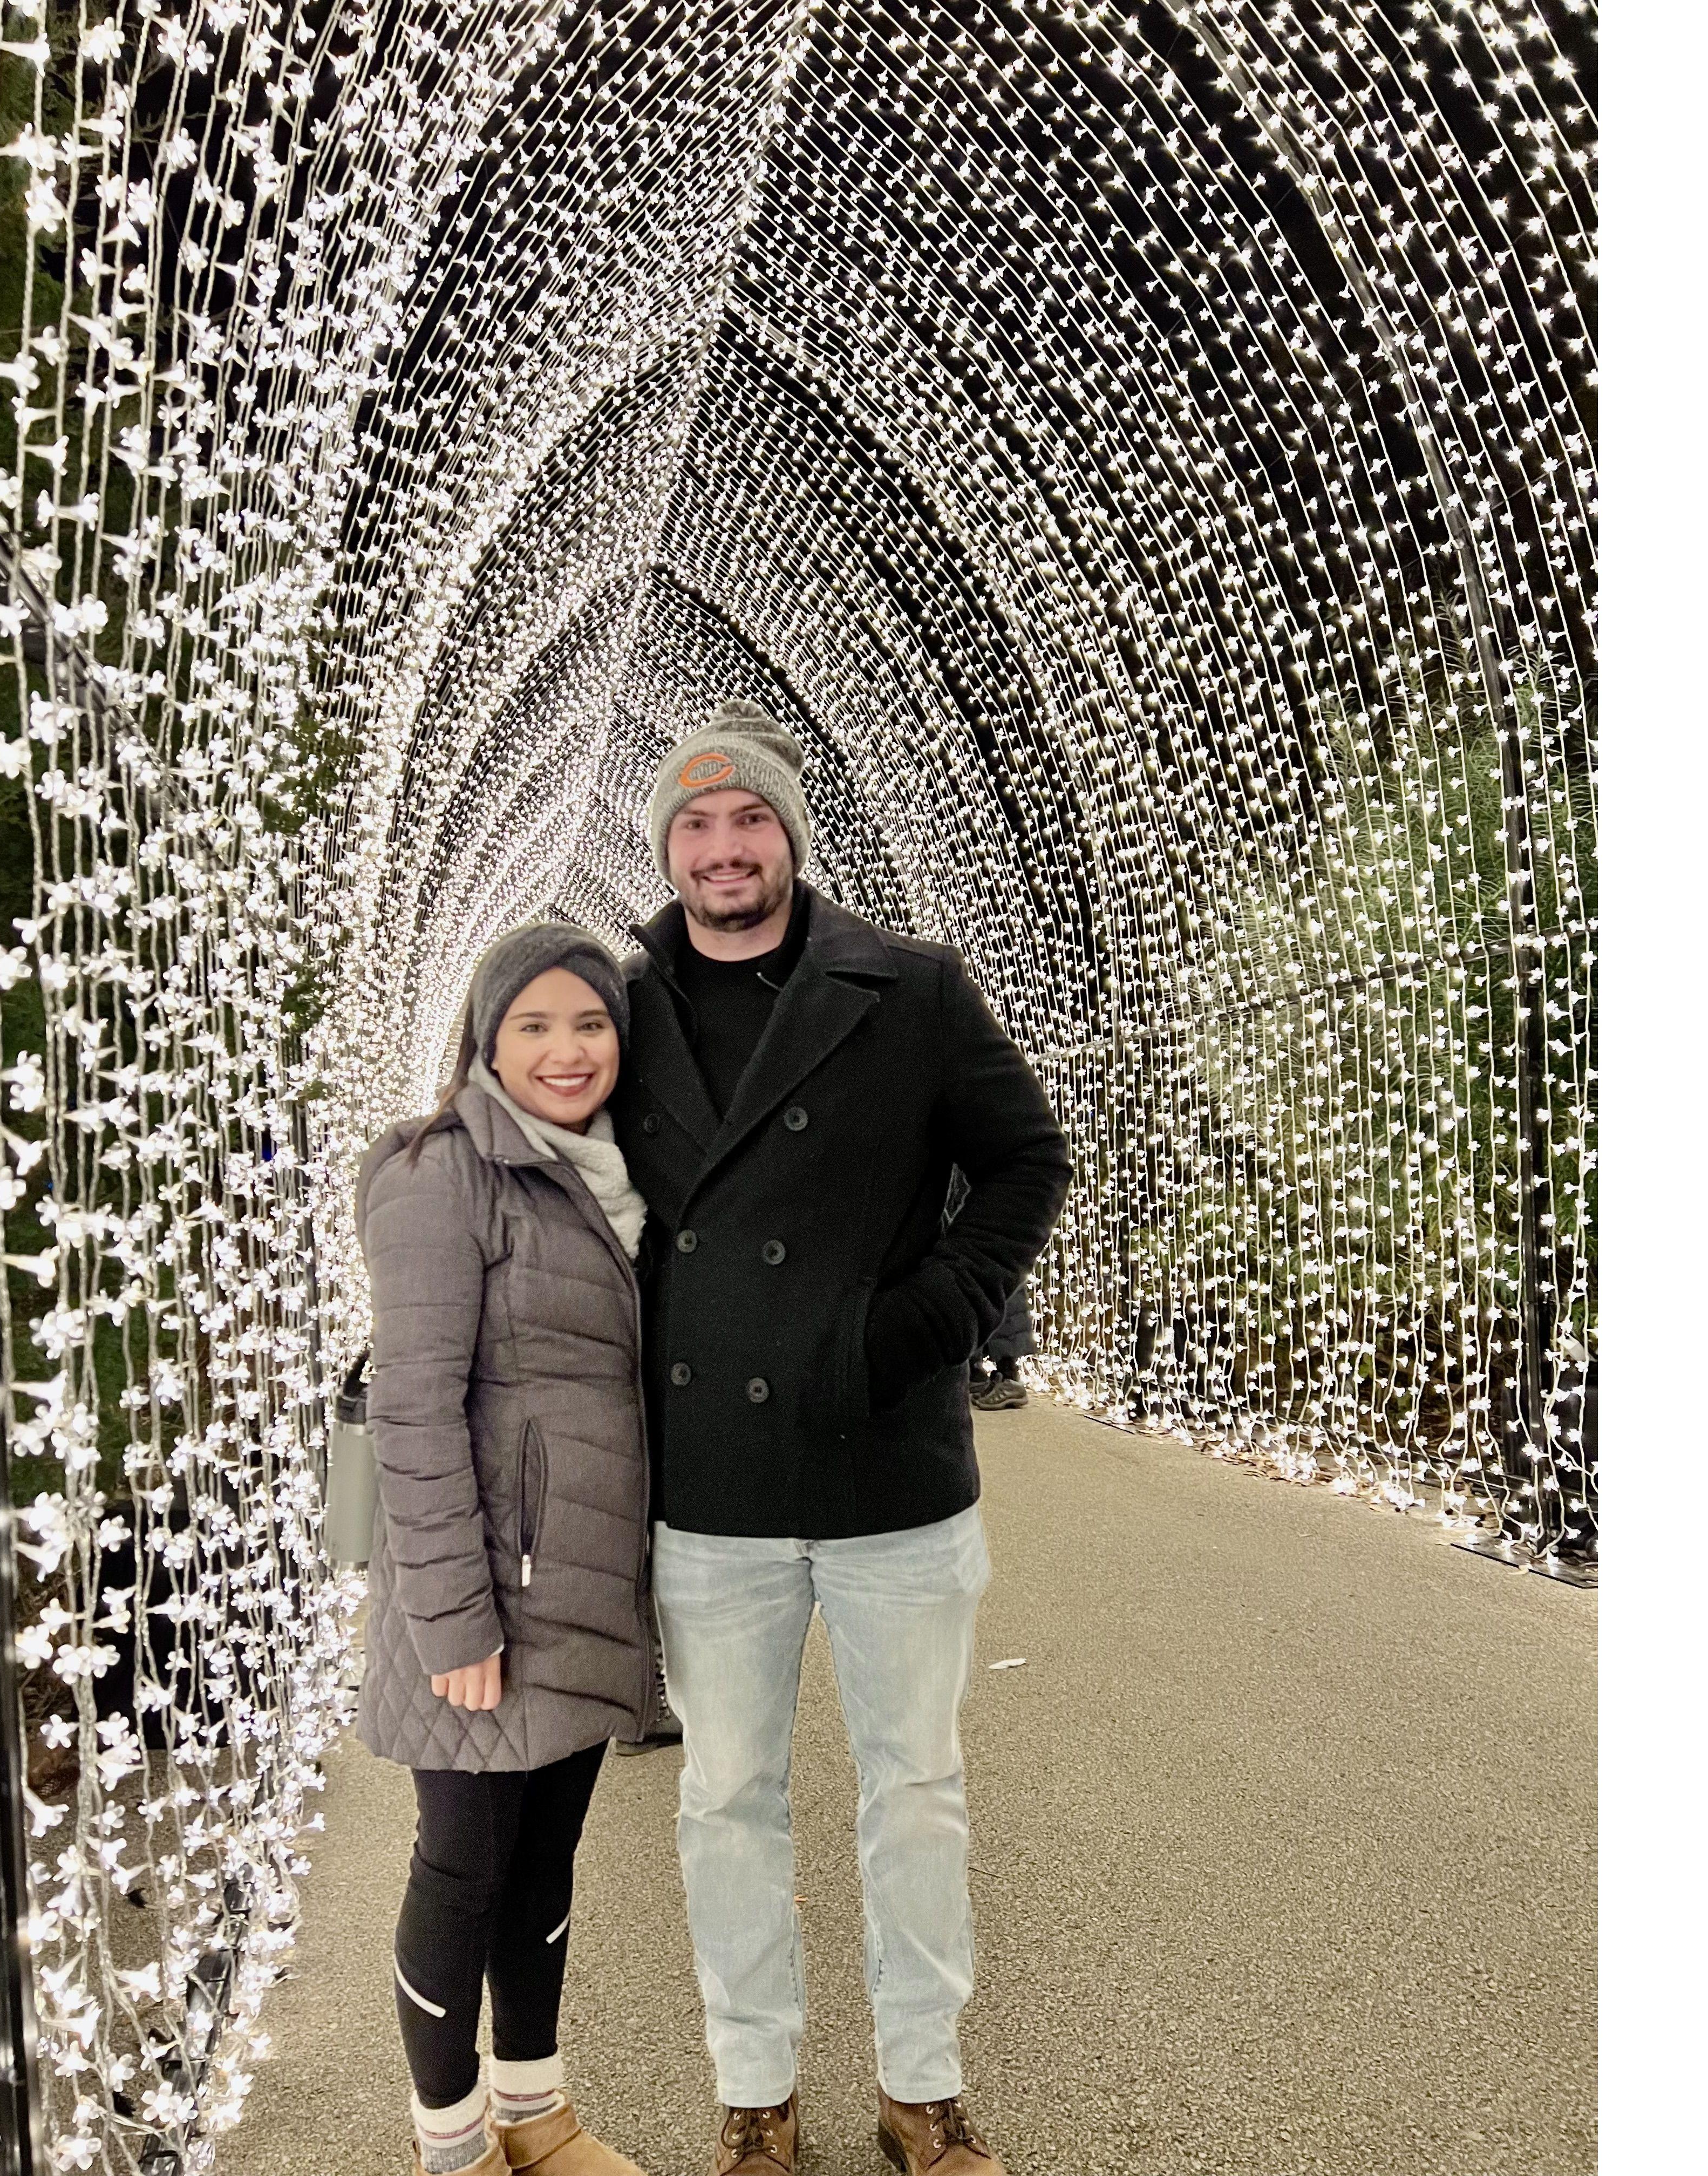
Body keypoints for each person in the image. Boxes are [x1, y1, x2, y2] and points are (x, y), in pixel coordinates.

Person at [611, 701, 1074, 2176]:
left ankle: (921, 2089)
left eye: (749, 819)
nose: (723, 848)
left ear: (791, 836)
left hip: (891, 1471)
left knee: (915, 1789)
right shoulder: (617, 1009)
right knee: (725, 1798)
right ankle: (756, 2093)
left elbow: (1027, 1158)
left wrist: (927, 1320)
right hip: (713, 1483)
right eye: (696, 824)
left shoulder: (911, 989)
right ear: (666, 848)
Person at [355, 924, 658, 2176]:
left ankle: (537, 2113)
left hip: (581, 1583)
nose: (565, 1050)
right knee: (464, 1867)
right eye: (532, 1025)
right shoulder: (441, 1170)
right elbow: (411, 1408)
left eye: (589, 1023)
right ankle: (452, 2142)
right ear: (485, 1040)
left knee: (544, 1863)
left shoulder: (614, 1173)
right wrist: (452, 1620)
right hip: (484, 1591)